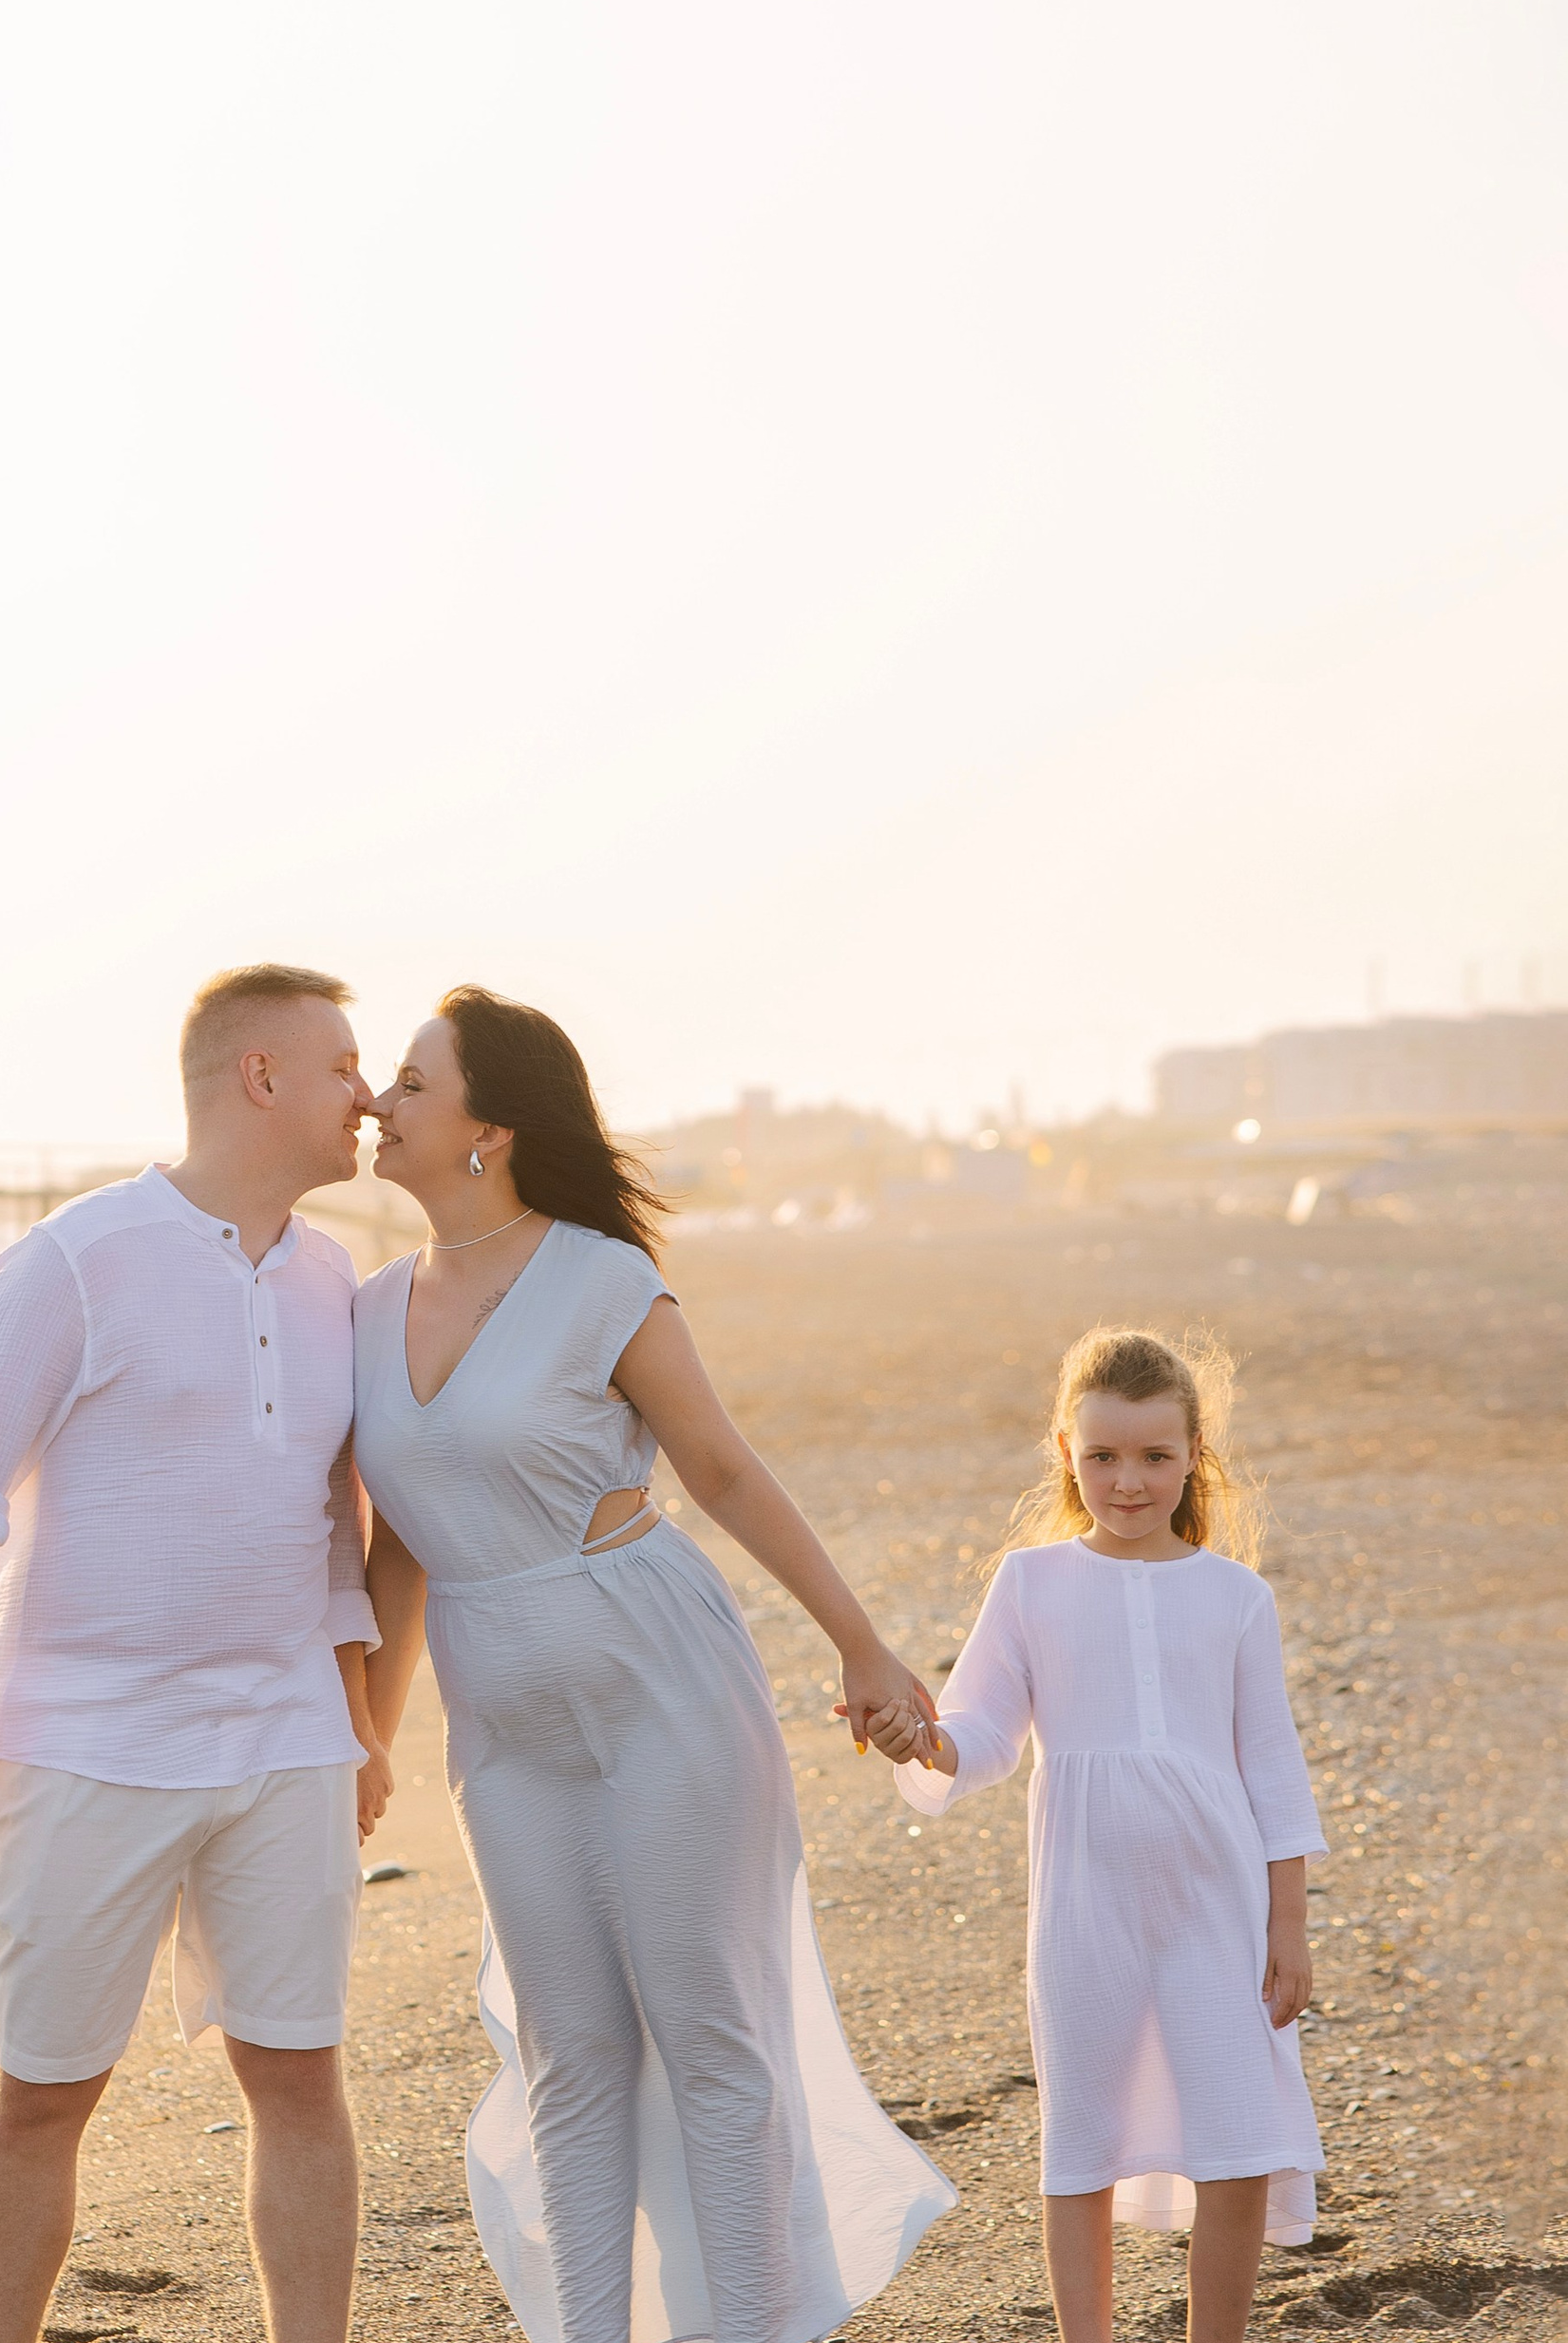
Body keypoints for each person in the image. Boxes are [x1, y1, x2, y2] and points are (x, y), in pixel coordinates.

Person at [353, 985, 954, 2343]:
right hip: (501, 1717)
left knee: (712, 2041)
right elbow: (399, 1542)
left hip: (656, 1678)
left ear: (488, 1131)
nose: (378, 1105)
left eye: (407, 1082)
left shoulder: (600, 1277)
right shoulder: (366, 1309)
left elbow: (723, 1468)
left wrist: (861, 1642)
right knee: (570, 2053)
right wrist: (370, 1732)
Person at [0, 963, 384, 2343]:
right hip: (82, 1743)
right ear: (258, 1077)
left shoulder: (336, 1277)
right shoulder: (74, 1259)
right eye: (342, 1065)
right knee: (42, 2095)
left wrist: (357, 1717)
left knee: (301, 2080)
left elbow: (334, 1522)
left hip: (283, 1745)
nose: (369, 1094)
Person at [869, 1328, 1325, 2343]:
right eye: (1103, 1455)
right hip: (1083, 1907)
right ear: (1065, 1451)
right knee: (1081, 2141)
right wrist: (928, 1740)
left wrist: (1286, 1921)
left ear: (1192, 1454)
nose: (1128, 1480)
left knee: (1236, 2144)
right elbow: (983, 1730)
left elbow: (1272, 1768)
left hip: (1216, 1904)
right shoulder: (1030, 1584)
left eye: (1155, 1456)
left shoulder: (1236, 1597)